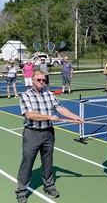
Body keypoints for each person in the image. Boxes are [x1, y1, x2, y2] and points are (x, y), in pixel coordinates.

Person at [15, 70, 83, 203]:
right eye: (38, 80)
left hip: (48, 133)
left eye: (43, 80)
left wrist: (75, 117)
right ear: (33, 80)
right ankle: (21, 191)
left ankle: (49, 186)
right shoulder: (25, 95)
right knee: (27, 163)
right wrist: (49, 117)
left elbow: (60, 108)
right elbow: (29, 115)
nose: (41, 82)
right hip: (32, 134)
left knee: (48, 161)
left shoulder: (49, 94)